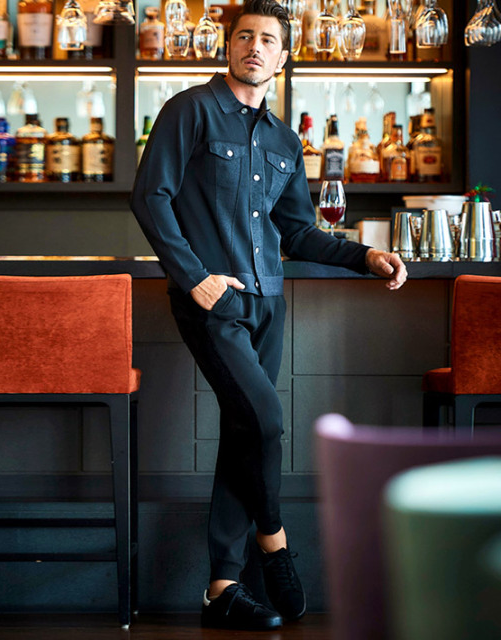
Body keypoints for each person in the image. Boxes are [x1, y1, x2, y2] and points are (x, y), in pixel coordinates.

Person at [130, 0, 408, 631]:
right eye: (244, 36)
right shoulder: (189, 110)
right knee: (268, 419)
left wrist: (366, 256)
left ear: (283, 58)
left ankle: (223, 589)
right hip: (214, 302)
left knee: (245, 430)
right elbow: (151, 197)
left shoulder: (284, 139)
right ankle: (274, 541)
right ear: (228, 46)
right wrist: (195, 278)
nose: (254, 47)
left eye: (268, 40)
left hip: (269, 302)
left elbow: (298, 231)